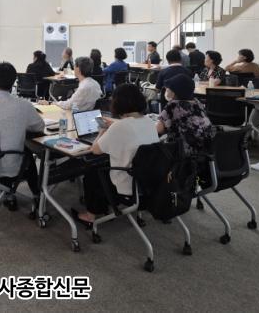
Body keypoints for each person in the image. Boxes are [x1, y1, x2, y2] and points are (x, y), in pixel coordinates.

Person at [73, 84, 159, 223]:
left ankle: (91, 215)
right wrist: (114, 124)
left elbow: (95, 149)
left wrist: (102, 130)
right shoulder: (149, 121)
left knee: (93, 172)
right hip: (149, 182)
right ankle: (103, 206)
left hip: (128, 186)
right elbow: (129, 126)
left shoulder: (120, 127)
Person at [0, 62, 44, 196]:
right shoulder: (24, 106)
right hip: (10, 169)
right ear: (13, 83)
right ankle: (37, 194)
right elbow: (40, 127)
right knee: (27, 150)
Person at [156, 74, 214, 156]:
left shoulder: (172, 105)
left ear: (175, 91)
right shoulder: (197, 103)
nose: (166, 90)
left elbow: (158, 130)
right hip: (205, 151)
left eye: (168, 88)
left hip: (184, 152)